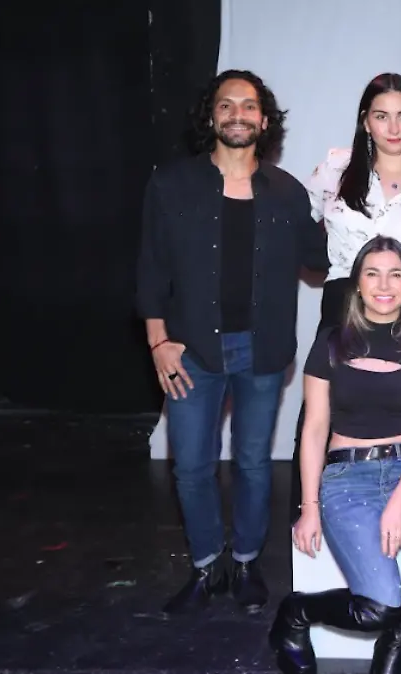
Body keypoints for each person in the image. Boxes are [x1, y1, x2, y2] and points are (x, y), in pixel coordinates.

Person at [135, 69, 328, 615]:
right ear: (212, 117)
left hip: (262, 352)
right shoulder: (172, 185)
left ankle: (245, 562)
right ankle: (205, 565)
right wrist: (158, 341)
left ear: (264, 121)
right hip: (190, 350)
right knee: (191, 466)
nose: (237, 113)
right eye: (226, 105)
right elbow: (151, 267)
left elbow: (318, 261)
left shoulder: (287, 192)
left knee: (252, 463)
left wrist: (340, 202)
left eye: (248, 105)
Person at [268, 236, 401, 674]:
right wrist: (309, 507)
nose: (384, 285)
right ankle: (297, 612)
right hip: (347, 477)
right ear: (357, 285)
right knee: (376, 608)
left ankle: (394, 643)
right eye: (373, 274)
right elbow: (314, 430)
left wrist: (399, 500)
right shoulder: (330, 343)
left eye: (395, 274)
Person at [291, 72, 401, 520]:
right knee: (326, 412)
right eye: (381, 116)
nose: (393, 127)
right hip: (346, 304)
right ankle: (312, 515)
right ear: (365, 121)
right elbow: (296, 219)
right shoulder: (335, 170)